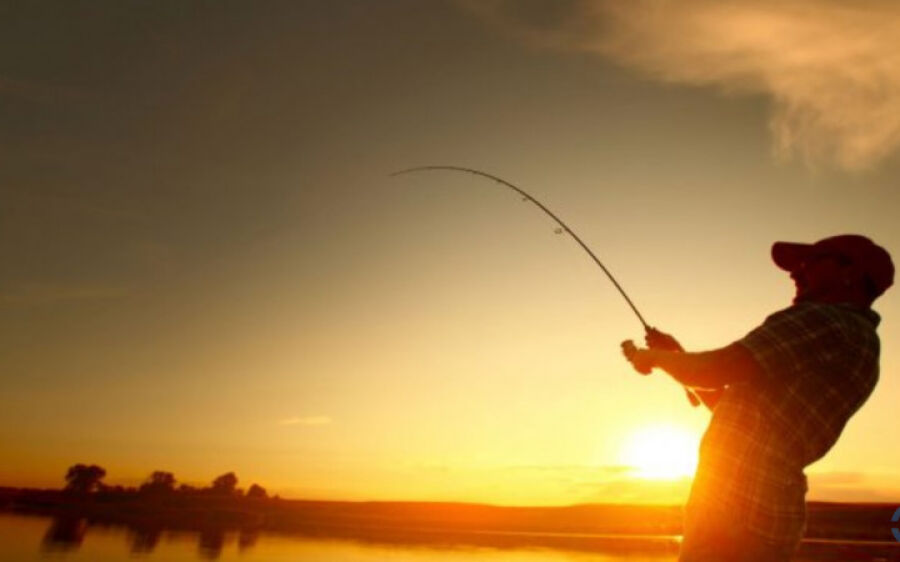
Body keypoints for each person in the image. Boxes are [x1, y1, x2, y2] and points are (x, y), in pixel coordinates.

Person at [621, 234, 893, 562]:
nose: (796, 273)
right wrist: (677, 356)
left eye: (811, 262)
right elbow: (734, 408)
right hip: (764, 514)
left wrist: (654, 359)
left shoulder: (824, 321)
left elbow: (718, 367)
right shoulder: (860, 343)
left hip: (736, 510)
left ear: (850, 273)